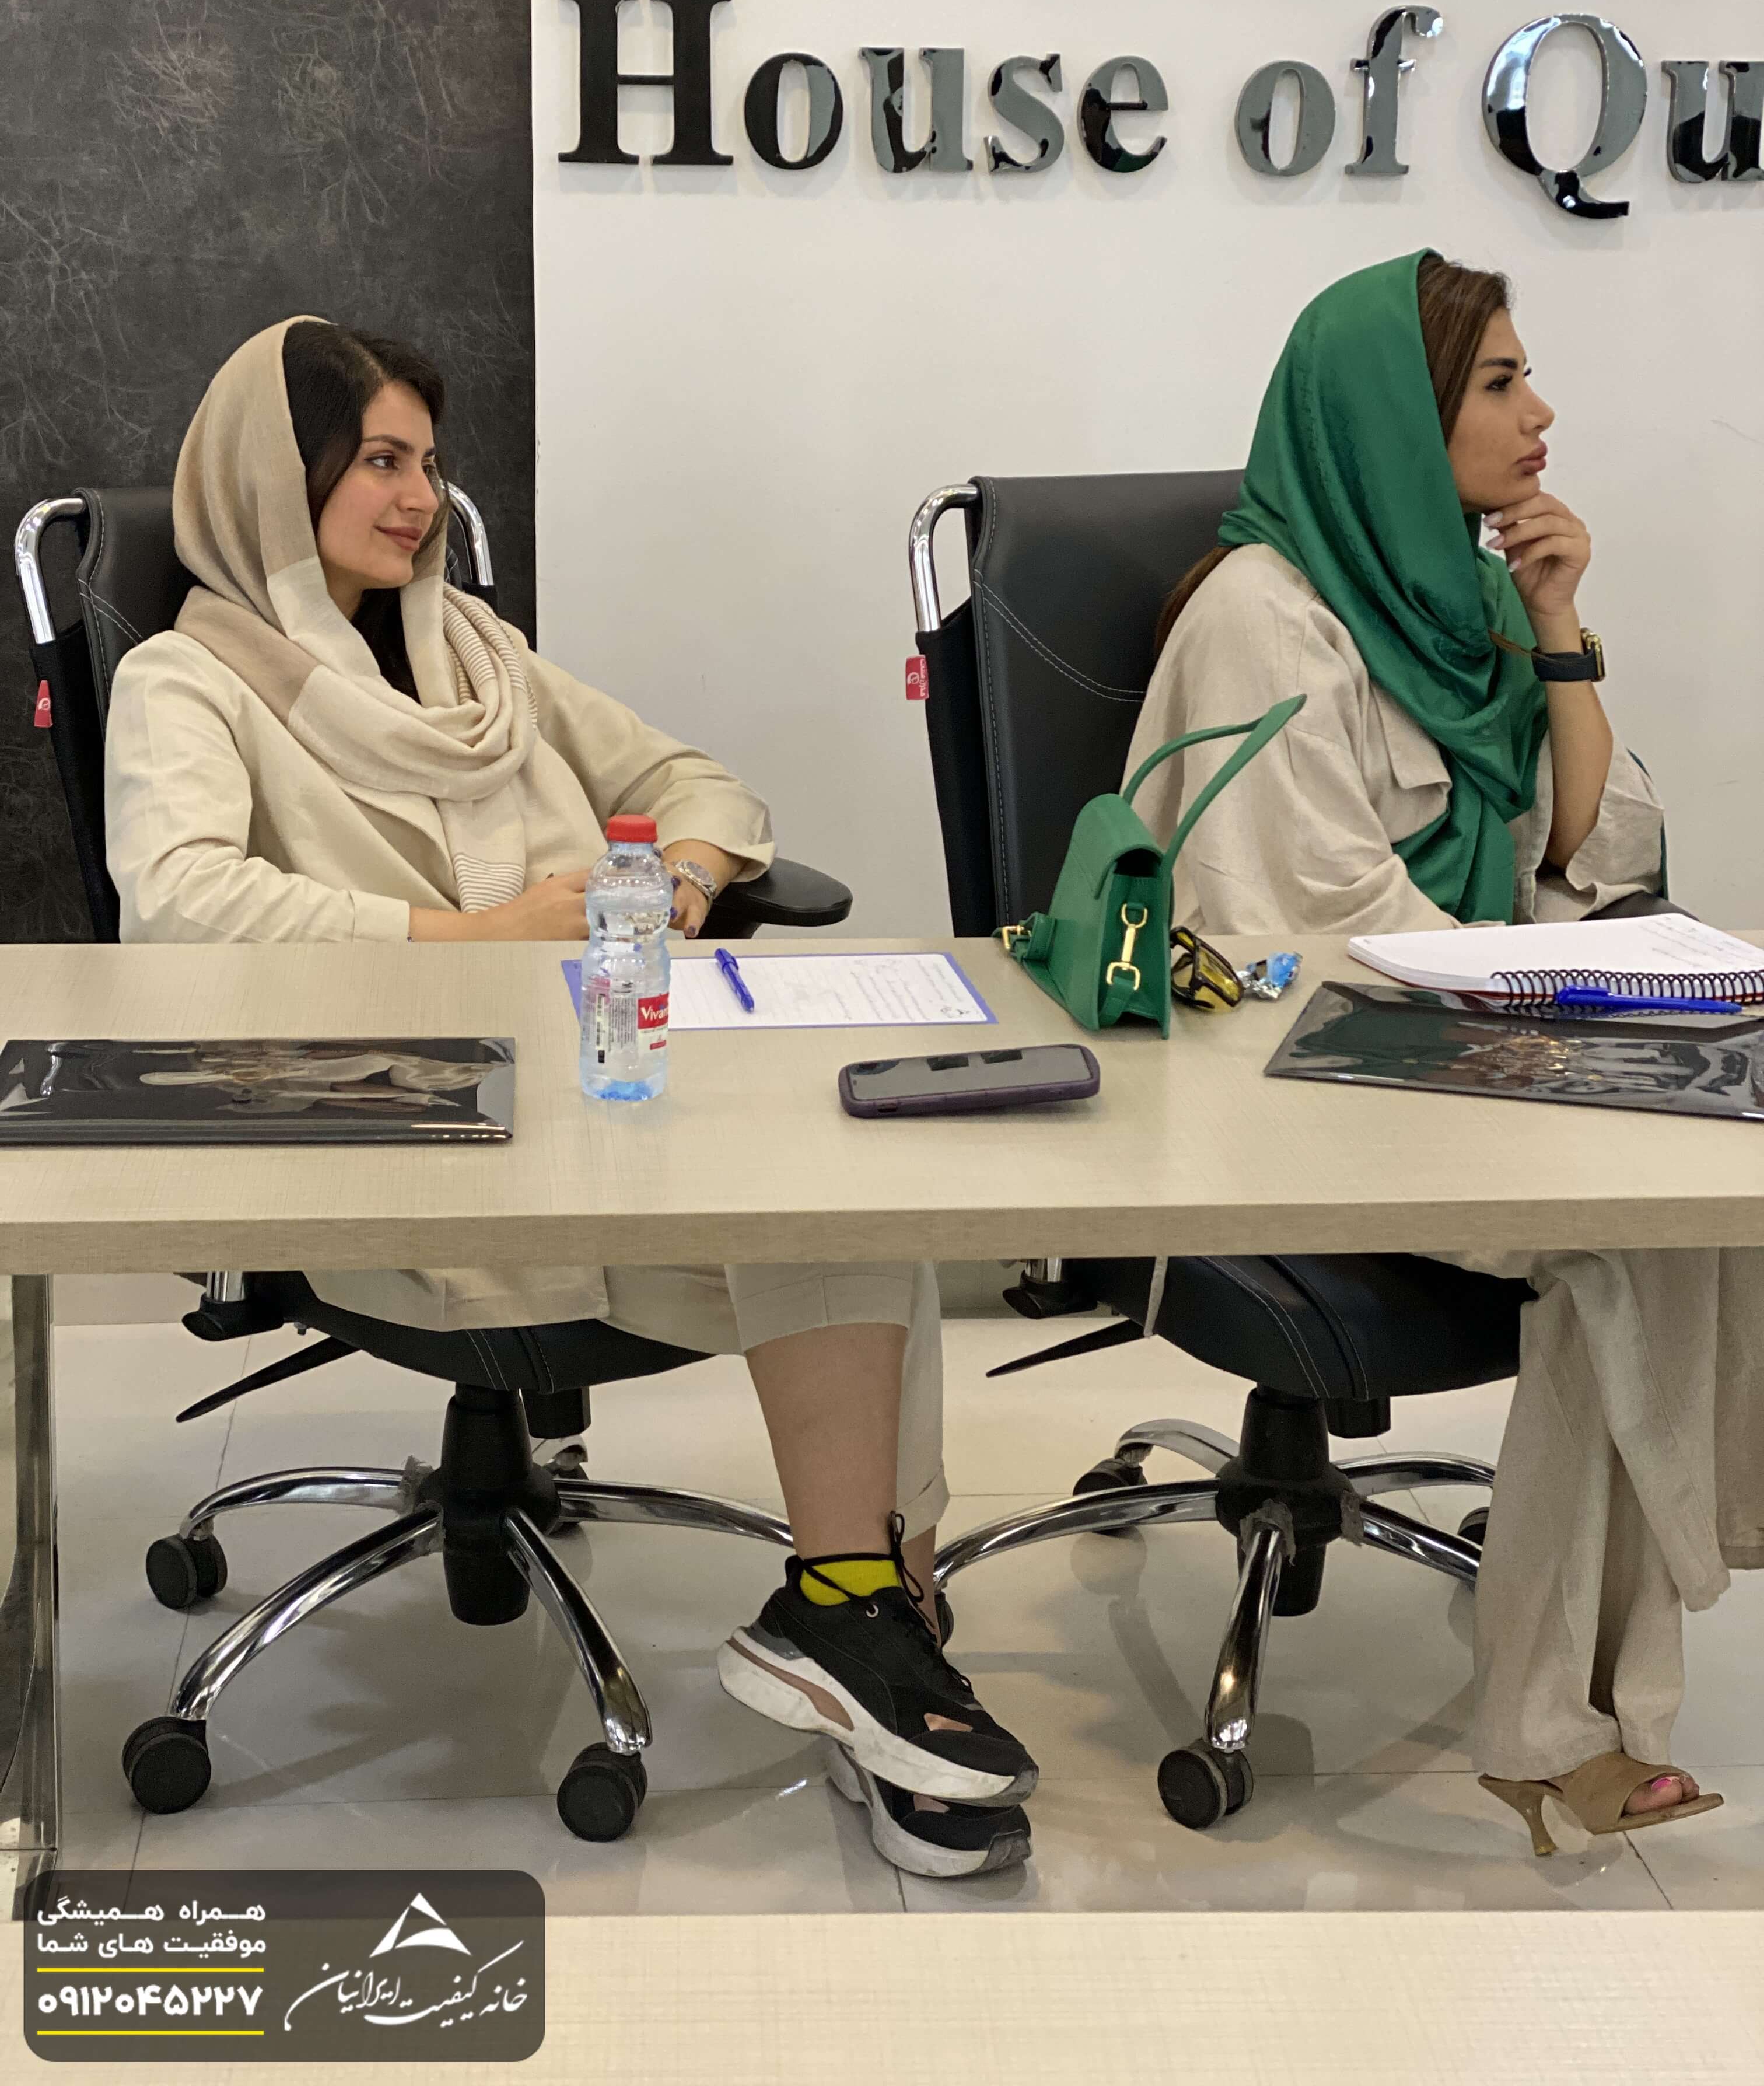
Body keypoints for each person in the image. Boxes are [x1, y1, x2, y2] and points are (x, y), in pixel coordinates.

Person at [104, 316, 1035, 1878]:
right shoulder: (183, 680)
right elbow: (181, 906)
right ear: (279, 477)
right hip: (396, 1157)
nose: (421, 498)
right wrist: (476, 939)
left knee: (860, 1196)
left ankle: (874, 1626)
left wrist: (677, 881)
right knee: (834, 1238)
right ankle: (873, 1636)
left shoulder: (481, 658)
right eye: (380, 461)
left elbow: (702, 787)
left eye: (428, 461)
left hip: (599, 1116)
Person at [1125, 250, 1764, 1853]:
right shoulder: (1262, 621)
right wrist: (1575, 1022)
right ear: (1395, 420)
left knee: (1716, 1170)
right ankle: (1562, 1732)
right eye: (1498, 383)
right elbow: (1324, 939)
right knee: (1632, 1231)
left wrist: (1557, 629)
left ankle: (1632, 1646)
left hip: (1466, 1058)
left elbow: (1597, 859)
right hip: (1290, 1089)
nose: (1541, 413)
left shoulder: (1467, 599)